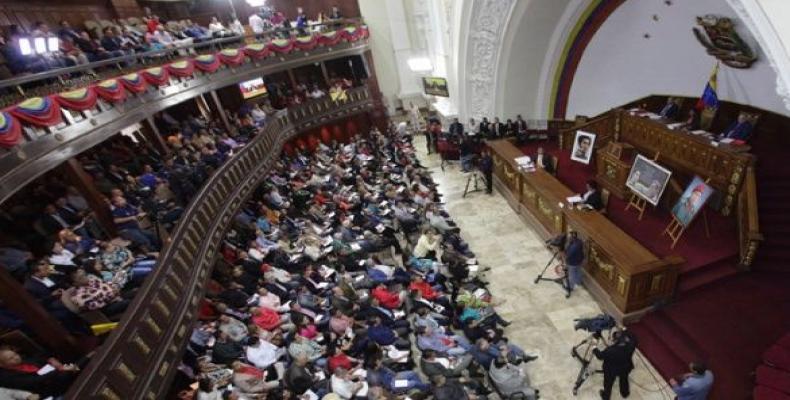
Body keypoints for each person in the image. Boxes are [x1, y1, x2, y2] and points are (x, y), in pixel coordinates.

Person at [593, 329, 637, 400]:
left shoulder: (610, 351)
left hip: (611, 371)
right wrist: (624, 330)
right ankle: (625, 393)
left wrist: (594, 347)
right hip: (625, 368)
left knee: (608, 384)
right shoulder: (631, 345)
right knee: (624, 380)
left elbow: (600, 356)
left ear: (616, 341)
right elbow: (633, 337)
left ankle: (606, 396)